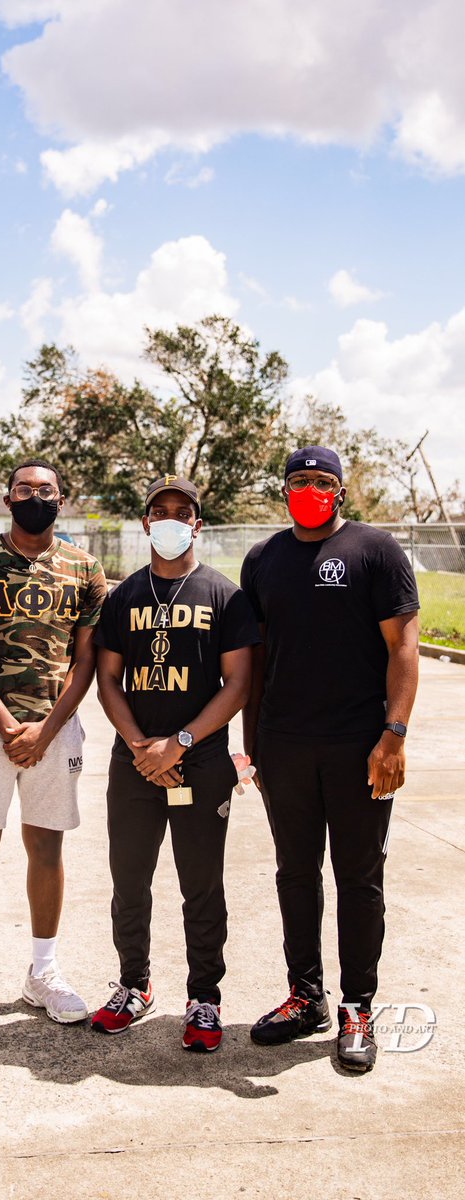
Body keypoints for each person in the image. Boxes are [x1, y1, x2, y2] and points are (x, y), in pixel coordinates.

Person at [241, 446, 420, 1072]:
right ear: (283, 489)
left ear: (340, 490)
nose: (310, 490)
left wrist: (393, 735)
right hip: (284, 746)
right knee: (295, 874)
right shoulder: (263, 558)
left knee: (359, 879)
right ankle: (305, 996)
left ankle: (357, 1006)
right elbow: (255, 658)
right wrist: (252, 743)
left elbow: (403, 647)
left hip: (358, 747)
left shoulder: (376, 550)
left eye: (321, 482)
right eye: (298, 481)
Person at [0, 459, 107, 1031]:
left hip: (55, 733)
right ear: (7, 499)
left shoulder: (85, 568)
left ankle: (44, 972)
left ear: (64, 498)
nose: (35, 497)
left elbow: (86, 661)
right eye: (24, 489)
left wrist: (47, 729)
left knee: (48, 851)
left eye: (46, 490)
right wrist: (9, 726)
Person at [92, 475, 260, 1051]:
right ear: (145, 523)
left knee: (202, 884)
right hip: (134, 763)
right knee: (129, 880)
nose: (169, 519)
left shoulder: (224, 595)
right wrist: (142, 746)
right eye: (158, 511)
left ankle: (205, 997)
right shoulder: (123, 596)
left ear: (197, 523)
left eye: (180, 511)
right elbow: (107, 681)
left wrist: (180, 742)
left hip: (203, 760)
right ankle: (134, 984)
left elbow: (238, 684)